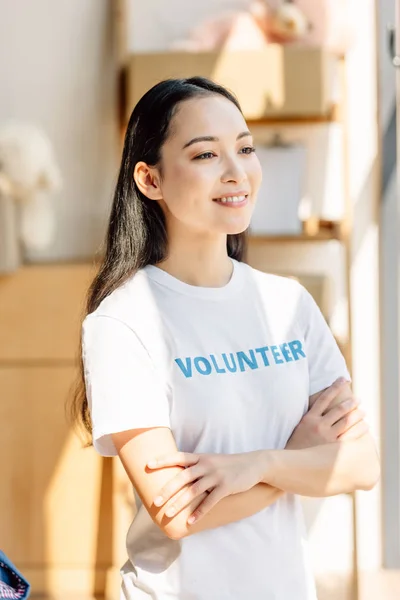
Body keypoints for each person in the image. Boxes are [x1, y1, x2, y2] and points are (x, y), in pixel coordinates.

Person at [71, 77, 380, 600]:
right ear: (150, 180)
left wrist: (260, 463)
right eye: (205, 154)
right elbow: (177, 512)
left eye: (245, 148)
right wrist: (299, 461)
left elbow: (361, 464)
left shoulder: (289, 304)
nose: (237, 172)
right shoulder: (123, 323)